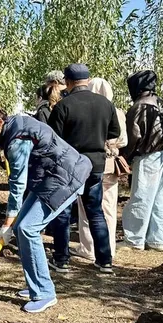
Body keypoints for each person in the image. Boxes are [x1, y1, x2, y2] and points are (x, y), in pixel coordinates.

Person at [0, 103, 91, 313]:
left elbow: (17, 184)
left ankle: (45, 293)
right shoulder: (12, 129)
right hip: (48, 178)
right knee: (22, 228)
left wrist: (7, 223)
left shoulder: (17, 139)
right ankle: (35, 283)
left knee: (27, 228)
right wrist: (12, 225)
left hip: (66, 177)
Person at [48, 63, 120, 274]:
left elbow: (53, 139)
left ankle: (61, 260)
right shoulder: (106, 104)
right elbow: (113, 132)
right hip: (96, 165)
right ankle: (104, 260)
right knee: (95, 212)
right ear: (87, 81)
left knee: (63, 211)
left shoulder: (63, 106)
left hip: (70, 164)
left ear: (67, 82)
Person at [72, 77, 127, 261]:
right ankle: (108, 247)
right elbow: (124, 140)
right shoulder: (117, 111)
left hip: (91, 163)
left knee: (87, 207)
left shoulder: (87, 109)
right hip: (111, 165)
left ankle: (88, 248)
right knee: (109, 209)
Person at [119, 70, 163, 251]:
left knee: (141, 198)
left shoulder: (139, 107)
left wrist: (125, 155)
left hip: (148, 157)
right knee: (161, 199)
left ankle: (134, 239)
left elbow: (133, 136)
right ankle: (157, 240)